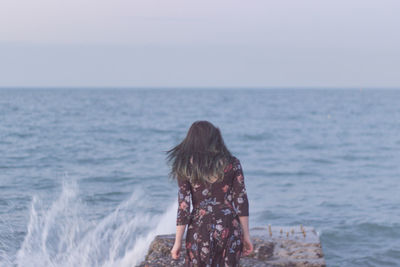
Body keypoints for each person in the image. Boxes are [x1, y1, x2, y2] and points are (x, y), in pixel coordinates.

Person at [165, 120, 253, 266]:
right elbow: (241, 200)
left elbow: (184, 206)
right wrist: (246, 235)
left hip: (200, 228)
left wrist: (177, 241)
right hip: (229, 225)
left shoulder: (186, 165)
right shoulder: (233, 163)